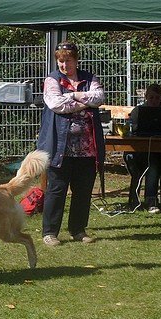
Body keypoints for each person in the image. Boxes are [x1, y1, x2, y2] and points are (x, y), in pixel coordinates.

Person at [37, 41, 105, 246]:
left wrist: (73, 96)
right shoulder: (52, 79)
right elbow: (56, 104)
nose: (64, 65)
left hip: (87, 149)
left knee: (83, 192)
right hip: (60, 147)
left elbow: (99, 97)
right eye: (60, 61)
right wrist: (85, 102)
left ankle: (78, 230)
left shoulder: (90, 78)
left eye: (68, 60)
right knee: (56, 190)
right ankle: (49, 232)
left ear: (76, 60)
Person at [126, 84, 161, 213]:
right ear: (146, 97)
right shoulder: (138, 110)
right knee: (153, 162)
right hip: (144, 150)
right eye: (151, 97)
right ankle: (151, 200)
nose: (154, 101)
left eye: (157, 98)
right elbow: (129, 127)